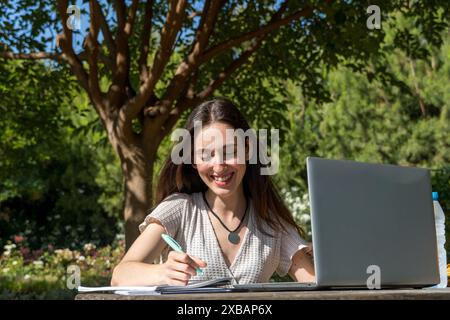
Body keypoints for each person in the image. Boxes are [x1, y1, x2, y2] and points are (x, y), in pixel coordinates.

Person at [111, 98, 315, 286]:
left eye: (231, 151)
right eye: (206, 155)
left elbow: (317, 284)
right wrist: (162, 273)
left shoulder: (270, 222)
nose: (219, 166)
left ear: (247, 150)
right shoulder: (179, 209)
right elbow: (120, 276)